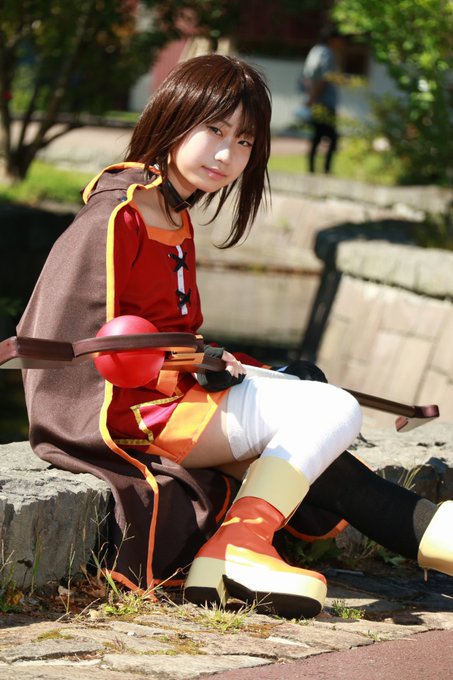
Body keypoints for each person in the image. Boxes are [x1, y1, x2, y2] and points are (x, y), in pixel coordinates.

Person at [18, 54, 453, 619]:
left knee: (319, 435)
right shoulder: (116, 216)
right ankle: (237, 549)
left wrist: (225, 362)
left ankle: (434, 538)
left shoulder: (173, 214)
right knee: (333, 409)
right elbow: (85, 343)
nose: (227, 154)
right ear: (175, 116)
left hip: (175, 400)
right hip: (139, 414)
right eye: (215, 130)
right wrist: (187, 362)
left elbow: (175, 334)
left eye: (244, 141)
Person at [303, 26, 344, 173]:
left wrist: (310, 96)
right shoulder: (328, 53)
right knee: (332, 138)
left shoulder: (315, 51)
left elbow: (307, 76)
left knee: (317, 136)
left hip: (316, 101)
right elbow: (324, 79)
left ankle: (311, 168)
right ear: (332, 39)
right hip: (325, 102)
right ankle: (326, 169)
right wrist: (314, 96)